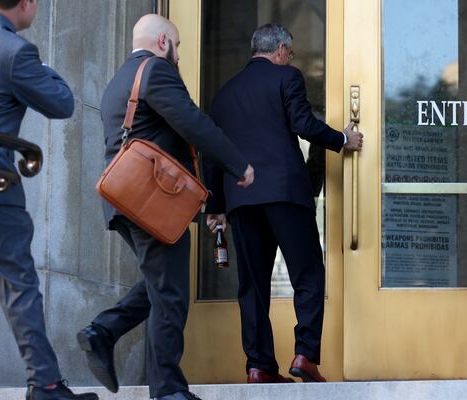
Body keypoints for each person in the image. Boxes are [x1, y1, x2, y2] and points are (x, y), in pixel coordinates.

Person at [76, 14, 254, 400]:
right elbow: (193, 123)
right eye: (177, 46)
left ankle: (103, 332)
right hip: (153, 204)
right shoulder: (156, 71)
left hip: (126, 203)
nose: (178, 55)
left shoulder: (119, 79)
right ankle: (168, 390)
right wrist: (238, 163)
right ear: (162, 43)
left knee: (161, 283)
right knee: (170, 295)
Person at [203, 23, 363, 384]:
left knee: (253, 285)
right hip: (285, 193)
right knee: (307, 274)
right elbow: (303, 124)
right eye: (289, 53)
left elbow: (210, 153)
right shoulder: (286, 77)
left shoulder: (224, 95)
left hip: (241, 200)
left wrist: (216, 206)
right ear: (280, 50)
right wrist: (343, 138)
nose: (290, 58)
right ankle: (305, 355)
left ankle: (258, 366)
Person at [0, 1, 98, 399]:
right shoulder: (15, 52)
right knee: (18, 285)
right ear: (25, 4)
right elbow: (61, 103)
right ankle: (44, 384)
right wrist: (42, 66)